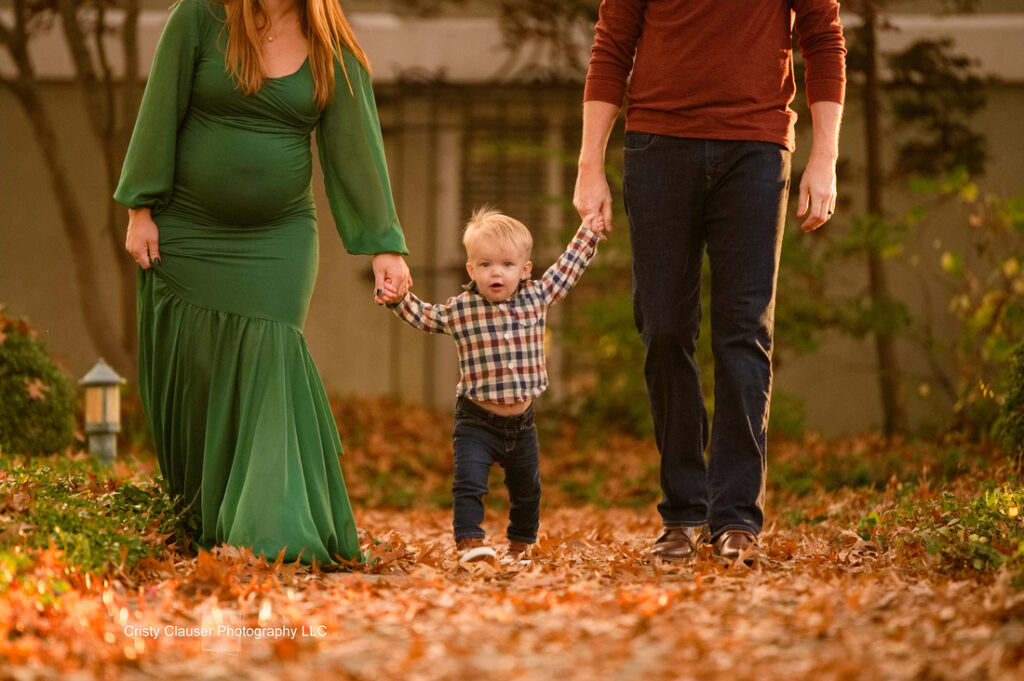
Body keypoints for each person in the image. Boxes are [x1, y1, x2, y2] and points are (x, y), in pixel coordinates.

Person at [116, 0, 412, 565]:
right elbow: (159, 110)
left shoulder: (330, 44)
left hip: (278, 240)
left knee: (270, 357)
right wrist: (139, 207)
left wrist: (385, 245)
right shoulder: (199, 19)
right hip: (187, 231)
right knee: (197, 377)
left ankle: (270, 533)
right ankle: (207, 517)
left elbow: (358, 150)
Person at [573, 0, 846, 565]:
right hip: (657, 145)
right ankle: (683, 512)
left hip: (756, 147)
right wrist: (589, 166)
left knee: (744, 332)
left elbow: (824, 39)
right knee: (665, 328)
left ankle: (736, 517)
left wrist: (825, 157)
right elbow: (611, 47)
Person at [384, 209, 605, 564]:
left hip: (522, 424)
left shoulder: (536, 297)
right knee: (470, 483)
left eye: (506, 264)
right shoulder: (462, 309)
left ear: (524, 270)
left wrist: (589, 232)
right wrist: (398, 300)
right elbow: (426, 317)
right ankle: (470, 542)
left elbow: (567, 269)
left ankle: (520, 545)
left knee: (527, 490)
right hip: (476, 421)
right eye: (485, 265)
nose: (496, 272)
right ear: (471, 270)